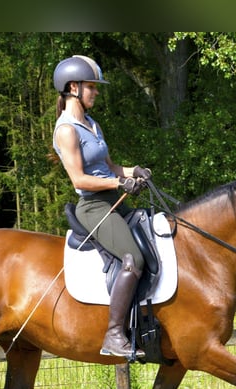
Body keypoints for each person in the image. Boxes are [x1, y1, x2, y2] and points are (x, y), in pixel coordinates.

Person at [52, 54, 152, 360]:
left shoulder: (92, 124)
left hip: (113, 199)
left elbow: (111, 168)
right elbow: (80, 179)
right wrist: (118, 184)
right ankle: (113, 334)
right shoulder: (66, 130)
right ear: (73, 88)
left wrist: (134, 171)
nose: (96, 92)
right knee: (132, 257)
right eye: (91, 87)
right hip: (94, 207)